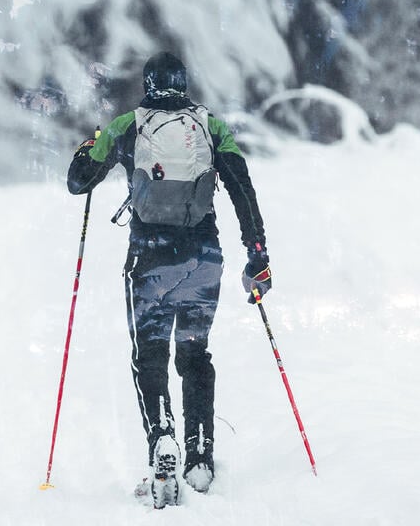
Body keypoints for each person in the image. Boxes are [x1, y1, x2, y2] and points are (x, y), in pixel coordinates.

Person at [66, 51, 271, 505]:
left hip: (150, 262)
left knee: (150, 354)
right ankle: (200, 460)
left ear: (148, 83)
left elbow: (78, 181)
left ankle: (162, 437)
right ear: (184, 83)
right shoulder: (211, 126)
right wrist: (257, 254)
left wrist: (91, 145)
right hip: (204, 259)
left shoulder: (127, 126)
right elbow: (242, 188)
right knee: (194, 356)